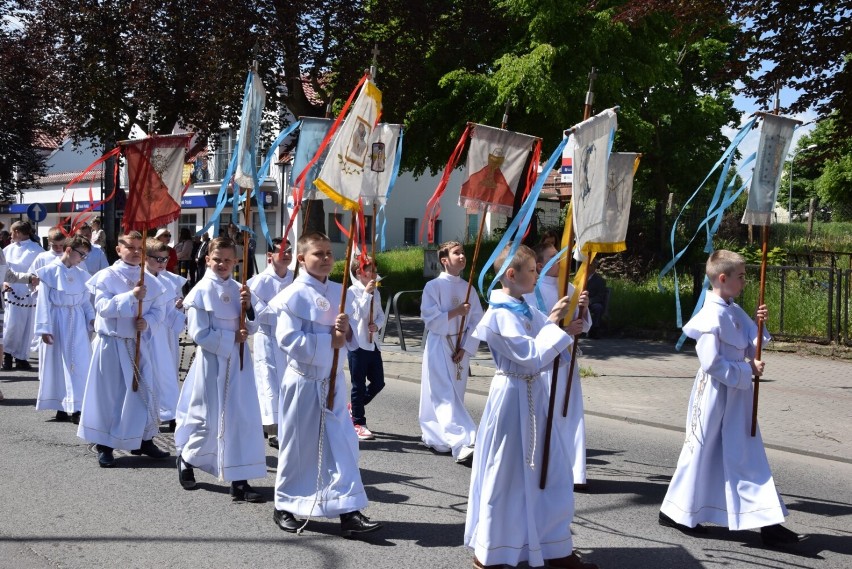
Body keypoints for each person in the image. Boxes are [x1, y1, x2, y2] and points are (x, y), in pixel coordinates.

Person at [659, 250, 806, 548]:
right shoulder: (709, 316)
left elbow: (751, 347)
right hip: (714, 394)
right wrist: (746, 369)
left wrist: (759, 324)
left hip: (737, 395)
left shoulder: (734, 310)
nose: (745, 282)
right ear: (722, 278)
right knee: (700, 452)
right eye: (741, 277)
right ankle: (675, 511)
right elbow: (711, 363)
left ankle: (767, 522)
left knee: (746, 454)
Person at [464, 244, 598, 569]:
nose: (538, 275)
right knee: (508, 476)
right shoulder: (498, 315)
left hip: (535, 394)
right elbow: (530, 355)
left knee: (551, 470)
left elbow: (551, 345)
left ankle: (555, 546)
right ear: (512, 274)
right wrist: (554, 326)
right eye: (534, 270)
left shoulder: (525, 306)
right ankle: (494, 552)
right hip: (511, 396)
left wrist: (570, 325)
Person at [268, 231, 382, 537]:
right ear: (302, 259)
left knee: (342, 444)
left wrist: (348, 332)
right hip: (304, 380)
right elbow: (288, 340)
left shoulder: (341, 291)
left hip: (333, 381)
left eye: (329, 253)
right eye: (318, 254)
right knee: (299, 446)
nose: (326, 258)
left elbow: (355, 336)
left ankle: (348, 510)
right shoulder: (291, 296)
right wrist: (328, 339)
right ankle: (285, 504)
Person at [174, 237, 266, 502]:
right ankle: (187, 458)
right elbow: (199, 333)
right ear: (207, 261)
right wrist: (230, 340)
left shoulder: (241, 289)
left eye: (228, 260)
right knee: (209, 419)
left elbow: (254, 326)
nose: (222, 264)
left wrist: (248, 308)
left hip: (238, 364)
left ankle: (240, 481)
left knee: (240, 419)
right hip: (212, 364)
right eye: (217, 260)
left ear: (236, 262)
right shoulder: (200, 291)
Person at [76, 230, 170, 468]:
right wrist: (132, 296)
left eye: (140, 248)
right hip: (112, 343)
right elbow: (103, 308)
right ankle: (105, 445)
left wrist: (147, 322)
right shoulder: (106, 276)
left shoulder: (153, 280)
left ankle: (143, 439)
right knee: (110, 395)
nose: (136, 252)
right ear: (118, 249)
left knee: (144, 393)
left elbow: (159, 310)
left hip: (138, 344)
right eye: (130, 247)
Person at [524, 242, 592, 490]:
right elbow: (532, 330)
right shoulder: (531, 291)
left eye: (562, 255)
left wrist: (583, 309)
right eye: (554, 257)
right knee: (547, 412)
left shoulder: (571, 288)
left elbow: (584, 325)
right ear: (540, 265)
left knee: (570, 411)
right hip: (544, 363)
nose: (562, 260)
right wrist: (564, 330)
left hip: (567, 362)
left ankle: (574, 471)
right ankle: (547, 465)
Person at [419, 240, 483, 464]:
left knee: (455, 393)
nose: (462, 256)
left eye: (463, 252)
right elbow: (430, 318)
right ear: (444, 260)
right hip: (440, 344)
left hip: (460, 347)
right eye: (457, 253)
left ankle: (439, 436)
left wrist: (465, 347)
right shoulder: (433, 287)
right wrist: (456, 311)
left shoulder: (469, 288)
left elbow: (478, 321)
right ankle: (460, 442)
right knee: (443, 394)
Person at [33, 235, 94, 424]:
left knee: (79, 363)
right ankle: (61, 405)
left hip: (76, 321)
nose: (82, 259)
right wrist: (44, 328)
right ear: (69, 250)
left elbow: (85, 301)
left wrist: (91, 318)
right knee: (58, 364)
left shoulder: (82, 274)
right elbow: (43, 301)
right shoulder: (48, 272)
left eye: (85, 256)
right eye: (81, 255)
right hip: (56, 321)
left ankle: (77, 407)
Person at [247, 237, 293, 448]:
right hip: (267, 337)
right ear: (269, 256)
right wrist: (283, 311)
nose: (286, 255)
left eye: (289, 251)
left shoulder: (295, 278)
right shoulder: (259, 281)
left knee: (287, 381)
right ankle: (272, 427)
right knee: (268, 381)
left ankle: (286, 423)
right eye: (281, 251)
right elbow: (257, 313)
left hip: (288, 339)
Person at [143, 238, 186, 427]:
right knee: (146, 374)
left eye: (165, 259)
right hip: (143, 333)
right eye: (157, 259)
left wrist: (180, 310)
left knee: (166, 372)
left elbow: (171, 311)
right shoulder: (138, 278)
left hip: (162, 333)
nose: (162, 263)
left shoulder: (169, 281)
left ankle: (170, 412)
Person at [345, 255, 386, 441]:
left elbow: (381, 315)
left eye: (375, 270)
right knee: (358, 385)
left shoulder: (376, 292)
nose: (374, 274)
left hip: (372, 343)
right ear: (359, 273)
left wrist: (376, 325)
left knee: (378, 382)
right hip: (358, 344)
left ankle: (354, 406)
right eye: (370, 270)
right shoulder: (352, 292)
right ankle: (358, 422)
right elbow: (358, 314)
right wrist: (366, 295)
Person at [2, 221, 43, 371]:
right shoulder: (8, 249)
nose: (11, 235)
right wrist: (4, 283)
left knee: (27, 326)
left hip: (28, 291)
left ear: (18, 232)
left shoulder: (37, 250)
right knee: (11, 324)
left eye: (13, 232)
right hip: (11, 291)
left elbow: (40, 270)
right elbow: (4, 270)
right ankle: (7, 355)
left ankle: (21, 357)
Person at [585, 259, 607, 338]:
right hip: (580, 301)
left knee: (598, 307)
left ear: (595, 267)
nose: (588, 267)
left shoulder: (600, 280)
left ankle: (594, 329)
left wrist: (590, 301)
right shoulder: (581, 278)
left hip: (592, 302)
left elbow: (600, 296)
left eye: (590, 265)